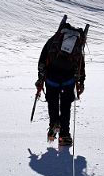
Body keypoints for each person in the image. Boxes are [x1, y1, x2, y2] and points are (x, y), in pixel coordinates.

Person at [35, 18, 86, 146]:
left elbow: (42, 60)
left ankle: (54, 124)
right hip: (68, 80)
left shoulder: (53, 40)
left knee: (52, 102)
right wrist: (81, 82)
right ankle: (64, 135)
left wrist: (40, 79)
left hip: (51, 78)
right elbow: (80, 65)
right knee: (65, 106)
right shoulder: (78, 44)